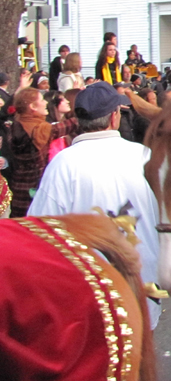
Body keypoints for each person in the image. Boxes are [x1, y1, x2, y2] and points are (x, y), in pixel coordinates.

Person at [28, 81, 161, 327]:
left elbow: (39, 231)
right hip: (142, 281)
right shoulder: (144, 156)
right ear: (114, 117)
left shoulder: (63, 164)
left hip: (91, 290)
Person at [8, 85, 79, 217]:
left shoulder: (16, 125)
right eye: (41, 100)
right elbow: (62, 127)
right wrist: (83, 116)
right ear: (32, 107)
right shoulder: (38, 129)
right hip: (35, 189)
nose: (46, 103)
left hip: (19, 188)